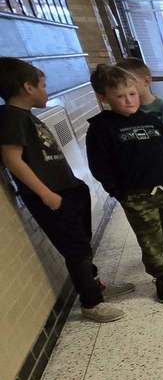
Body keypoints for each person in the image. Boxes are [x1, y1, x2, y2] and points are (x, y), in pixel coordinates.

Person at [0, 58, 133, 322]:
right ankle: (91, 302)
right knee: (76, 250)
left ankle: (96, 285)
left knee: (82, 244)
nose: (45, 91)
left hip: (67, 189)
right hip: (51, 196)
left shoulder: (25, 117)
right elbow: (12, 159)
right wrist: (46, 194)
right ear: (27, 87)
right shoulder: (10, 118)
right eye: (43, 85)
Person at [86, 64, 163, 303]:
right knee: (150, 238)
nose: (128, 101)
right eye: (120, 97)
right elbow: (100, 166)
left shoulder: (151, 120)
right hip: (137, 195)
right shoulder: (101, 128)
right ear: (103, 98)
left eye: (132, 94)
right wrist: (119, 191)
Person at [117, 57, 163, 142]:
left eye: (130, 82)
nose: (126, 88)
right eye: (122, 84)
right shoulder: (125, 109)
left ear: (146, 81)